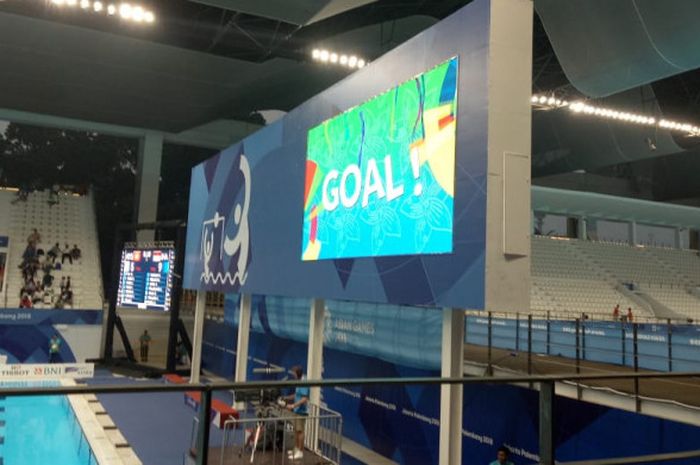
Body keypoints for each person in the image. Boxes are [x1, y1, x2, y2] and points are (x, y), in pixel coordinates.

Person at [284, 365, 309, 461]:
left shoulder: (304, 382)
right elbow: (297, 395)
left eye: (293, 373)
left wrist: (293, 406)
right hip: (296, 411)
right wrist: (287, 398)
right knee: (296, 431)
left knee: (300, 431)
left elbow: (304, 398)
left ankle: (300, 452)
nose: (293, 375)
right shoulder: (298, 381)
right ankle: (296, 449)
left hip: (302, 411)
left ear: (297, 373)